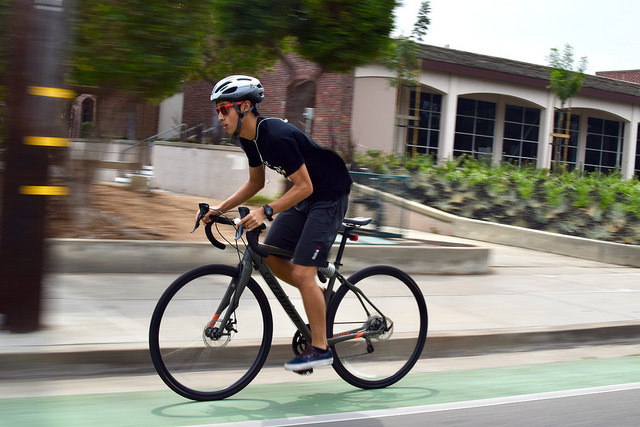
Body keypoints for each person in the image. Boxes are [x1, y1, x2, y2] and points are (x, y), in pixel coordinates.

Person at [203, 75, 353, 372]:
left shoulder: (274, 134)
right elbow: (256, 182)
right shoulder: (248, 138)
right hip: (304, 197)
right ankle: (320, 298)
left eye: (224, 109)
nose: (219, 117)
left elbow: (306, 185)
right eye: (217, 110)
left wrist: (266, 211)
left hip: (328, 195)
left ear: (244, 106)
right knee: (269, 255)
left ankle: (321, 349)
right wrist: (219, 208)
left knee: (302, 271)